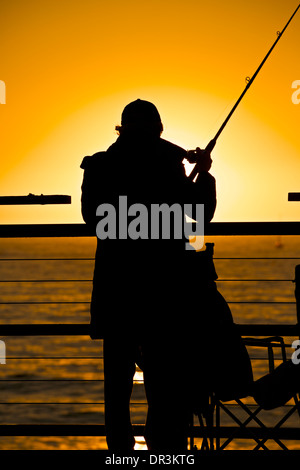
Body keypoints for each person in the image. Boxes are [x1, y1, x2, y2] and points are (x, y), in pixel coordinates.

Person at [80, 99, 217, 452]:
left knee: (117, 389)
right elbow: (199, 216)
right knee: (164, 386)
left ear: (121, 129)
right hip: (165, 293)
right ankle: (163, 452)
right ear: (158, 130)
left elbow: (93, 219)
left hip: (117, 291)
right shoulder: (168, 164)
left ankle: (121, 455)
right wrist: (203, 174)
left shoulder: (99, 166)